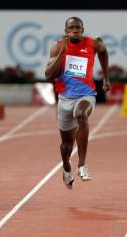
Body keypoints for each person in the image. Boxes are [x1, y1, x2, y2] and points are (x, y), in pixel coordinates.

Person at [45, 17, 111, 189]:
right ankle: (67, 167)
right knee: (66, 145)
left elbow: (103, 52)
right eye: (71, 27)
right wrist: (62, 53)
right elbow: (48, 75)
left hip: (86, 95)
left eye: (77, 27)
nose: (75, 30)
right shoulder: (57, 46)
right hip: (65, 98)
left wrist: (105, 78)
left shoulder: (93, 44)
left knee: (81, 115)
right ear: (66, 31)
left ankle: (82, 164)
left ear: (82, 29)